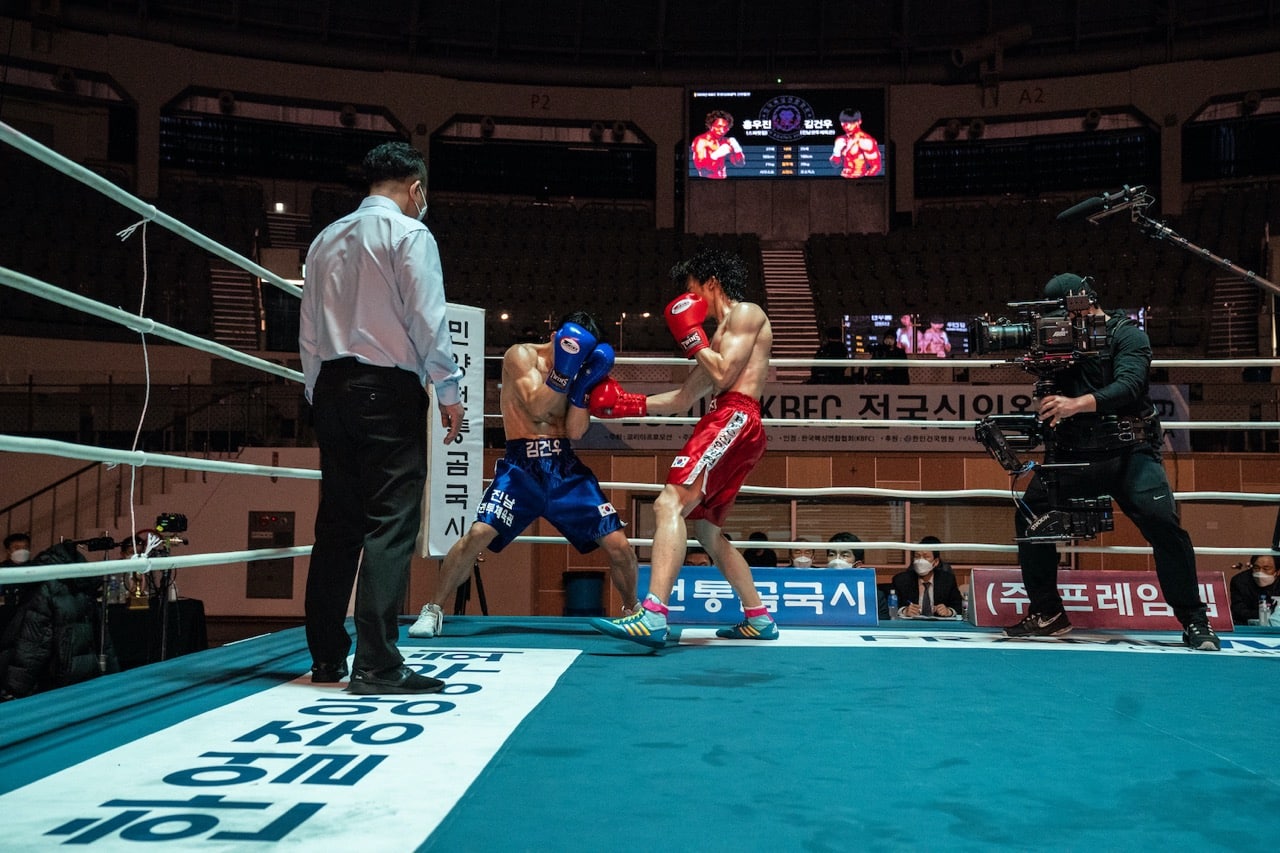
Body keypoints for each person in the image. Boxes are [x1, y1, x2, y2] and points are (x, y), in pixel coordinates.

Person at [299, 141, 465, 695]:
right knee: (390, 523)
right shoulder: (410, 234)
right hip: (386, 389)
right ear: (415, 189)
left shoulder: (324, 240)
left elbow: (306, 332)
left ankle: (326, 658)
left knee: (337, 525)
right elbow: (427, 318)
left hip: (331, 389)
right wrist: (449, 388)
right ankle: (376, 662)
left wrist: (317, 391)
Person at [1003, 273, 1220, 651]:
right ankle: (1048, 613)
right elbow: (1053, 392)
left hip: (1130, 453)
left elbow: (1131, 385)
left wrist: (1076, 404)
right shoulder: (1057, 340)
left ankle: (1195, 622)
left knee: (1164, 525)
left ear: (1080, 305)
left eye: (1060, 314)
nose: (1055, 323)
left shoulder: (1128, 334)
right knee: (1030, 512)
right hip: (1075, 455)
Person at [587, 247, 776, 647]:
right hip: (732, 420)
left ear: (710, 284)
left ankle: (653, 614)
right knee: (708, 533)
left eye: (692, 290)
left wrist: (692, 338)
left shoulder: (747, 314)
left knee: (667, 503)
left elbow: (724, 375)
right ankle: (758, 616)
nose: (690, 301)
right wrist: (627, 404)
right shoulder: (718, 337)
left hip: (734, 417)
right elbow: (682, 398)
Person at [408, 312, 639, 638]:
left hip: (565, 469)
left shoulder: (581, 370)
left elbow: (575, 430)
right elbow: (535, 406)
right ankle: (433, 610)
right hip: (522, 469)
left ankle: (634, 613)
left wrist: (583, 386)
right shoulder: (521, 355)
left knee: (620, 546)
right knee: (478, 535)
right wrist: (565, 370)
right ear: (559, 335)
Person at [0, 541, 119, 701]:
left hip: (55, 678)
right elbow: (103, 639)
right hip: (85, 672)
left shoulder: (45, 588)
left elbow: (33, 644)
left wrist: (14, 688)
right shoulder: (84, 587)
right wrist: (113, 676)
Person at [890, 538, 964, 618]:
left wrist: (949, 611)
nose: (920, 561)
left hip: (939, 627)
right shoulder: (901, 580)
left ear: (936, 562)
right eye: (917, 556)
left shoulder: (947, 580)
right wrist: (904, 611)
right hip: (911, 626)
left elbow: (959, 606)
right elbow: (891, 607)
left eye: (926, 557)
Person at [691, 110, 745, 179]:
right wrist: (715, 155)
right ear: (711, 125)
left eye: (725, 127)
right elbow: (702, 169)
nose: (722, 130)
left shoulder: (726, 141)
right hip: (707, 183)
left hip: (724, 181)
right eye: (719, 126)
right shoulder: (701, 141)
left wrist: (737, 149)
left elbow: (740, 164)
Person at [829, 109, 883, 178]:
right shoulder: (840, 140)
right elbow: (835, 165)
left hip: (858, 180)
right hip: (843, 179)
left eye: (850, 122)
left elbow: (876, 166)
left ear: (859, 122)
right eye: (843, 122)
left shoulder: (865, 141)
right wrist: (836, 152)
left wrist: (863, 181)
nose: (846, 125)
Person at [1229, 553, 1278, 625]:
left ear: (1277, 572)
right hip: (1246, 626)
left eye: (1266, 569)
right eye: (1256, 568)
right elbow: (1238, 610)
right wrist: (1265, 615)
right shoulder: (1240, 581)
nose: (1260, 572)